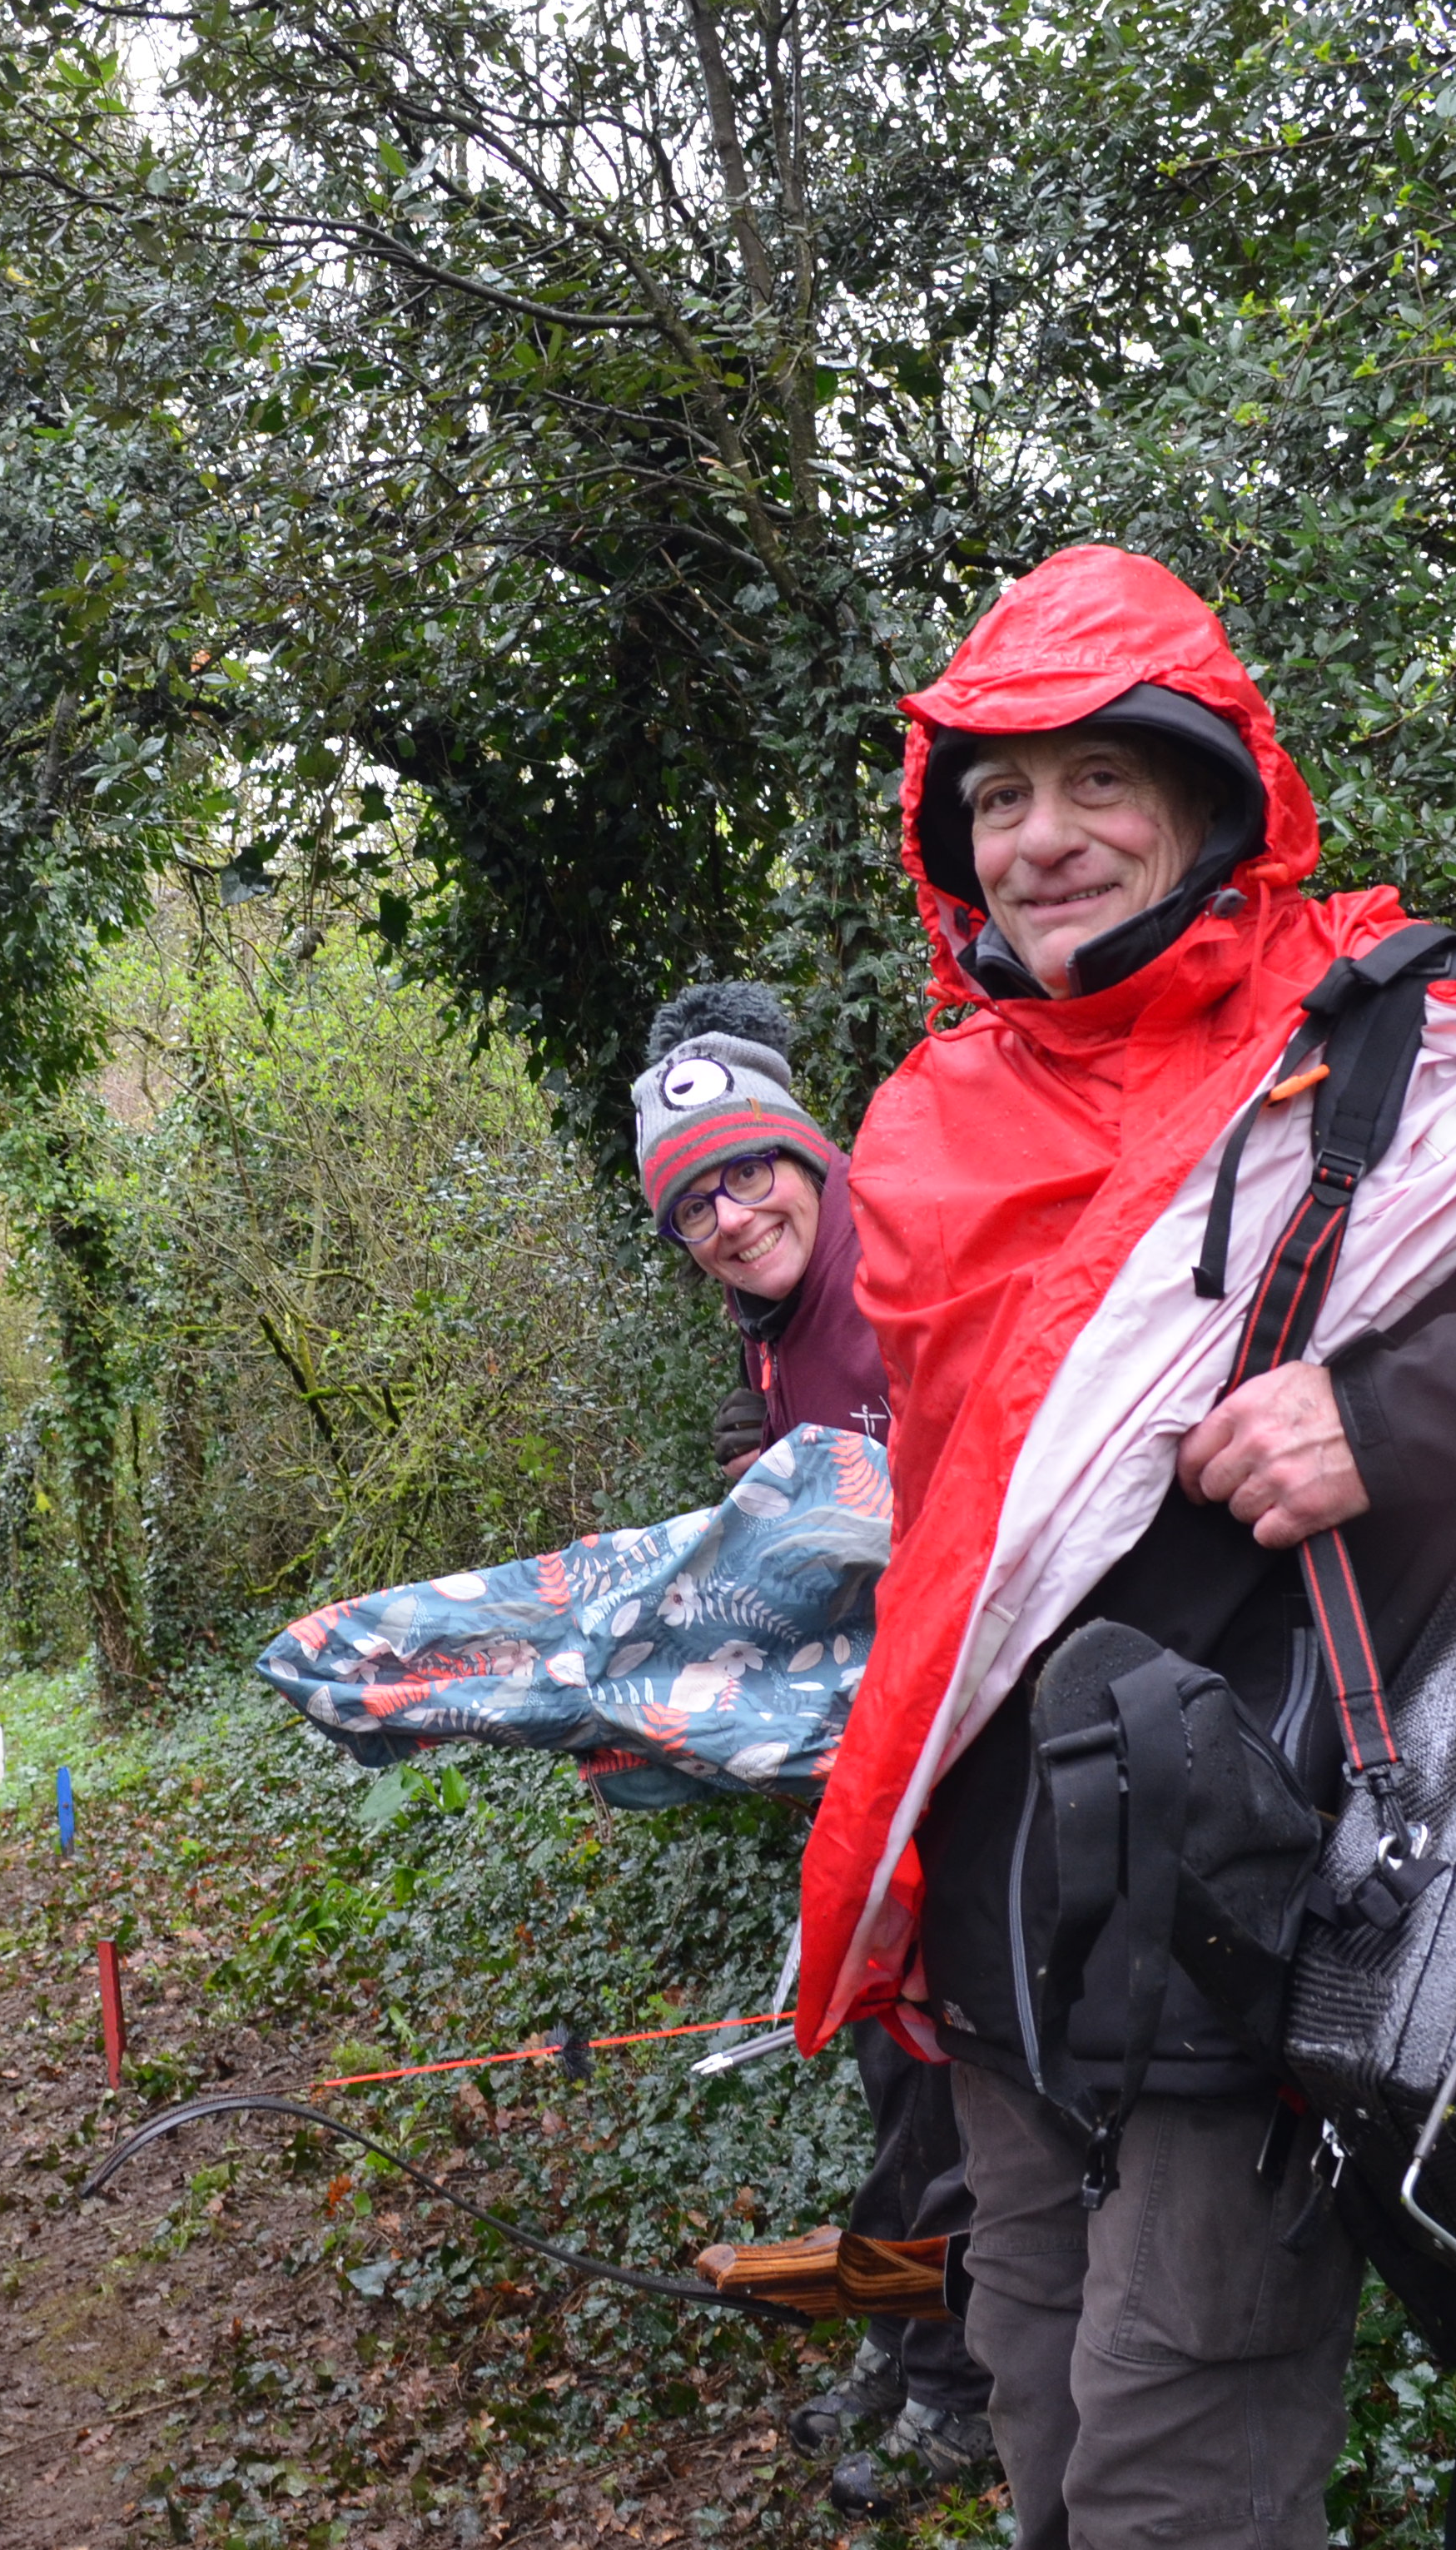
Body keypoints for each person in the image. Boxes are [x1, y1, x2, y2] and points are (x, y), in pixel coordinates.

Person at [792, 546, 1456, 2550]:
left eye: (1098, 779)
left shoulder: (1380, 1043)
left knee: (1174, 2450)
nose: (1042, 837)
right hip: (1003, 1918)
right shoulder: (933, 1113)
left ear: (1210, 798)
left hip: (1234, 1922)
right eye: (997, 797)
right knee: (1036, 2401)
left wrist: (1384, 1415)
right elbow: (967, 1546)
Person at [628, 982, 989, 2513]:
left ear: (809, 1155)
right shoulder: (774, 1320)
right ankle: (904, 2338)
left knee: (951, 2076)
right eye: (692, 1203)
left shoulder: (891, 1260)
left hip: (981, 1752)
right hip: (880, 1756)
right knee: (895, 2069)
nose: (729, 1214)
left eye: (747, 1171)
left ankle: (961, 2393)